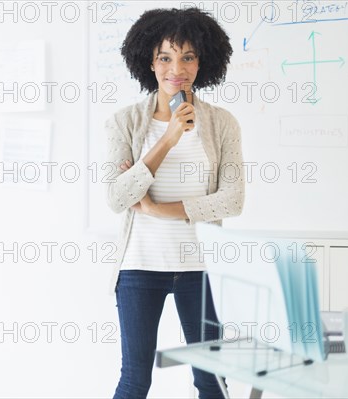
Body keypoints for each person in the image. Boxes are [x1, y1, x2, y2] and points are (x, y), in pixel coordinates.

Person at [104, 7, 245, 399]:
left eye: (187, 56)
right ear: (149, 62)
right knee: (135, 380)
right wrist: (167, 139)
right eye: (165, 57)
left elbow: (232, 201)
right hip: (139, 268)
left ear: (203, 60)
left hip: (202, 268)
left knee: (211, 379)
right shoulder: (125, 122)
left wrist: (155, 209)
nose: (176, 68)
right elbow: (117, 198)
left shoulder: (222, 124)